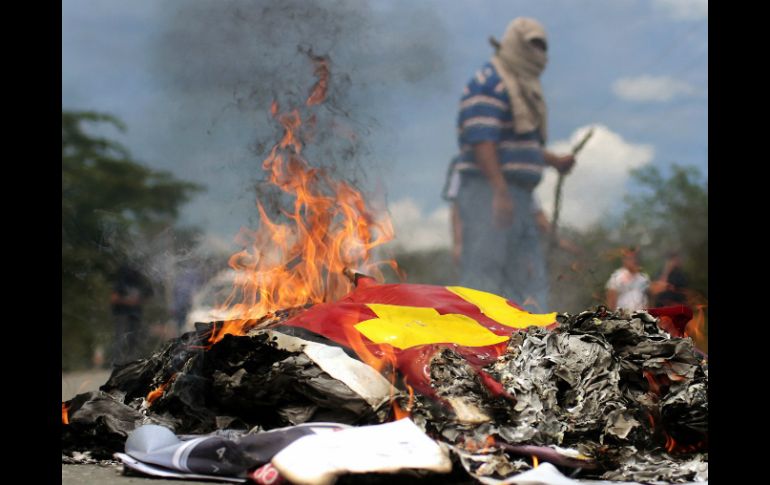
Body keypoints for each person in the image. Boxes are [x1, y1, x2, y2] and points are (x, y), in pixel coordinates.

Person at [442, 17, 575, 312]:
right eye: (533, 45)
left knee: (528, 278)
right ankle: (474, 350)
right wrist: (499, 191)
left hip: (519, 197)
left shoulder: (524, 89)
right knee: (484, 279)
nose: (539, 53)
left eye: (543, 46)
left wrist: (554, 161)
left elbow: (520, 144)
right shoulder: (490, 82)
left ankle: (529, 347)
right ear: (515, 44)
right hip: (488, 194)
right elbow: (482, 140)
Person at [110, 263, 154, 365]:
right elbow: (114, 298)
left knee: (133, 338)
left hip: (135, 315)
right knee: (121, 338)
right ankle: (118, 361)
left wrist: (139, 301)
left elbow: (148, 295)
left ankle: (131, 360)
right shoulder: (121, 283)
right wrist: (128, 301)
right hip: (122, 314)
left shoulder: (139, 283)